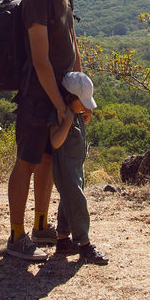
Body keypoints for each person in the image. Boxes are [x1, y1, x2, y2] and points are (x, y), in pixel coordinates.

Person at [5, 0, 83, 261]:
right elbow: (40, 61)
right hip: (38, 97)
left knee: (49, 160)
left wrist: (81, 93)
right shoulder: (37, 0)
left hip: (61, 94)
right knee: (27, 160)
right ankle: (16, 236)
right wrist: (59, 104)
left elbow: (73, 44)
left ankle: (40, 226)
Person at [49, 70, 109, 264]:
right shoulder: (60, 113)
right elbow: (56, 142)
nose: (84, 106)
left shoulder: (75, 112)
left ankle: (63, 240)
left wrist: (82, 116)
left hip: (75, 165)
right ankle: (84, 244)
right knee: (77, 202)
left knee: (69, 200)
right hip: (65, 167)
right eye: (81, 102)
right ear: (68, 96)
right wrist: (67, 122)